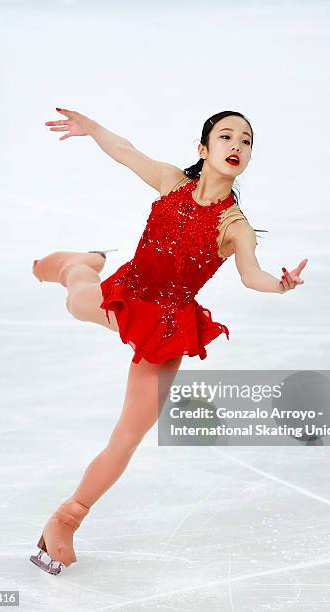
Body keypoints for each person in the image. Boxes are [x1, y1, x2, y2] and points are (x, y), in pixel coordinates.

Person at [30, 108, 308, 574]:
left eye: (246, 140)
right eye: (225, 136)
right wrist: (93, 128)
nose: (236, 145)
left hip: (167, 324)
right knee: (78, 300)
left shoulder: (233, 225)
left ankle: (66, 519)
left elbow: (251, 273)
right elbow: (125, 152)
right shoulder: (172, 182)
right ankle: (78, 263)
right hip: (128, 292)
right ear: (204, 149)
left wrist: (279, 284)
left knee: (129, 432)